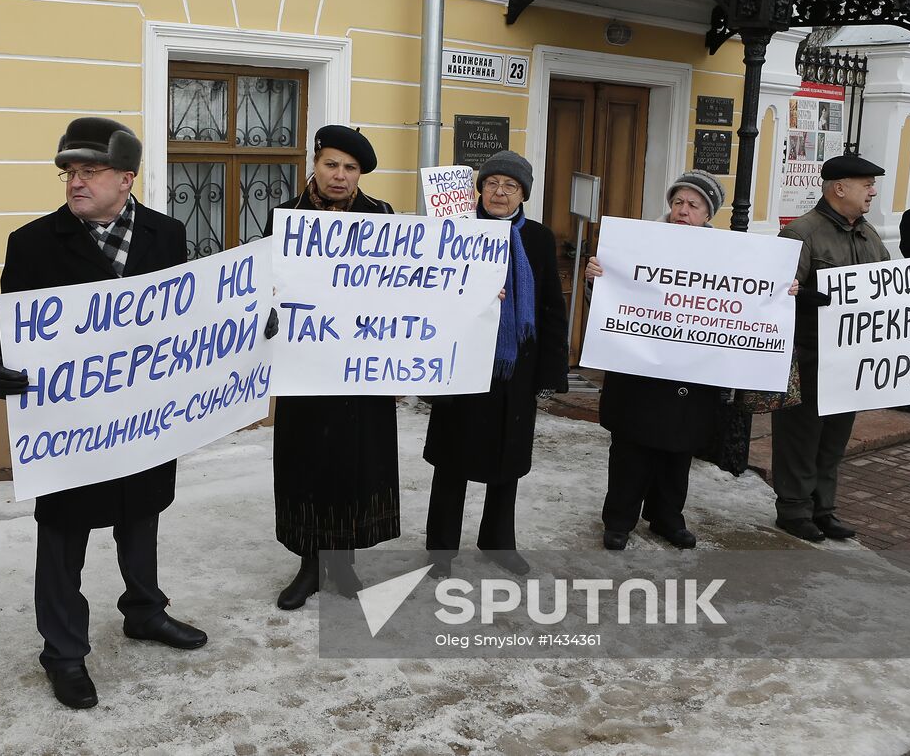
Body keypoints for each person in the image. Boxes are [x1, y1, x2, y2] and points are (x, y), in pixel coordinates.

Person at [0, 117, 205, 710]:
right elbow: (4, 323)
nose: (75, 182)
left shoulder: (166, 234)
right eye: (69, 172)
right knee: (64, 535)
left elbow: (196, 309)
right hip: (70, 428)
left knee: (142, 514)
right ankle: (64, 653)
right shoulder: (33, 243)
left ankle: (146, 612)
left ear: (127, 178)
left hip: (144, 418)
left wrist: (249, 324)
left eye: (89, 172)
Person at [585, 171, 797, 550]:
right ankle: (619, 519)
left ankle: (667, 518)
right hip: (640, 369)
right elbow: (612, 295)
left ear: (707, 213)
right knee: (631, 450)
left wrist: (784, 289)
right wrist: (595, 277)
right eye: (679, 202)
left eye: (693, 205)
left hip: (693, 372)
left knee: (677, 451)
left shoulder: (726, 254)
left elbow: (750, 296)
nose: (683, 210)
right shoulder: (636, 245)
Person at [267, 125, 401, 609]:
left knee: (355, 462)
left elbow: (412, 287)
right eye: (332, 165)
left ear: (359, 174)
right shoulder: (286, 218)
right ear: (315, 165)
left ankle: (342, 562)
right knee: (307, 463)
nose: (340, 176)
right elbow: (266, 286)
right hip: (305, 370)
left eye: (350, 168)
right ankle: (308, 564)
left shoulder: (382, 217)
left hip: (362, 369)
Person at [423, 150, 568, 577]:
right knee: (453, 461)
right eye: (491, 184)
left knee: (508, 460)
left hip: (515, 369)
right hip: (463, 362)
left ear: (523, 194)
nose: (499, 193)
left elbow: (550, 309)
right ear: (479, 189)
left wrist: (550, 372)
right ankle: (441, 550)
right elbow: (429, 293)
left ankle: (498, 541)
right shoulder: (455, 232)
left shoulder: (539, 239)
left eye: (510, 186)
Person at [772, 153, 890, 542]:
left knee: (834, 437)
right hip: (808, 355)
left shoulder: (869, 235)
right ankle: (793, 509)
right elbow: (774, 293)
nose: (872, 191)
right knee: (801, 436)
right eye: (866, 184)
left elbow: (891, 286)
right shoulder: (801, 233)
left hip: (849, 359)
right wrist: (805, 296)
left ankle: (823, 508)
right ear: (840, 188)